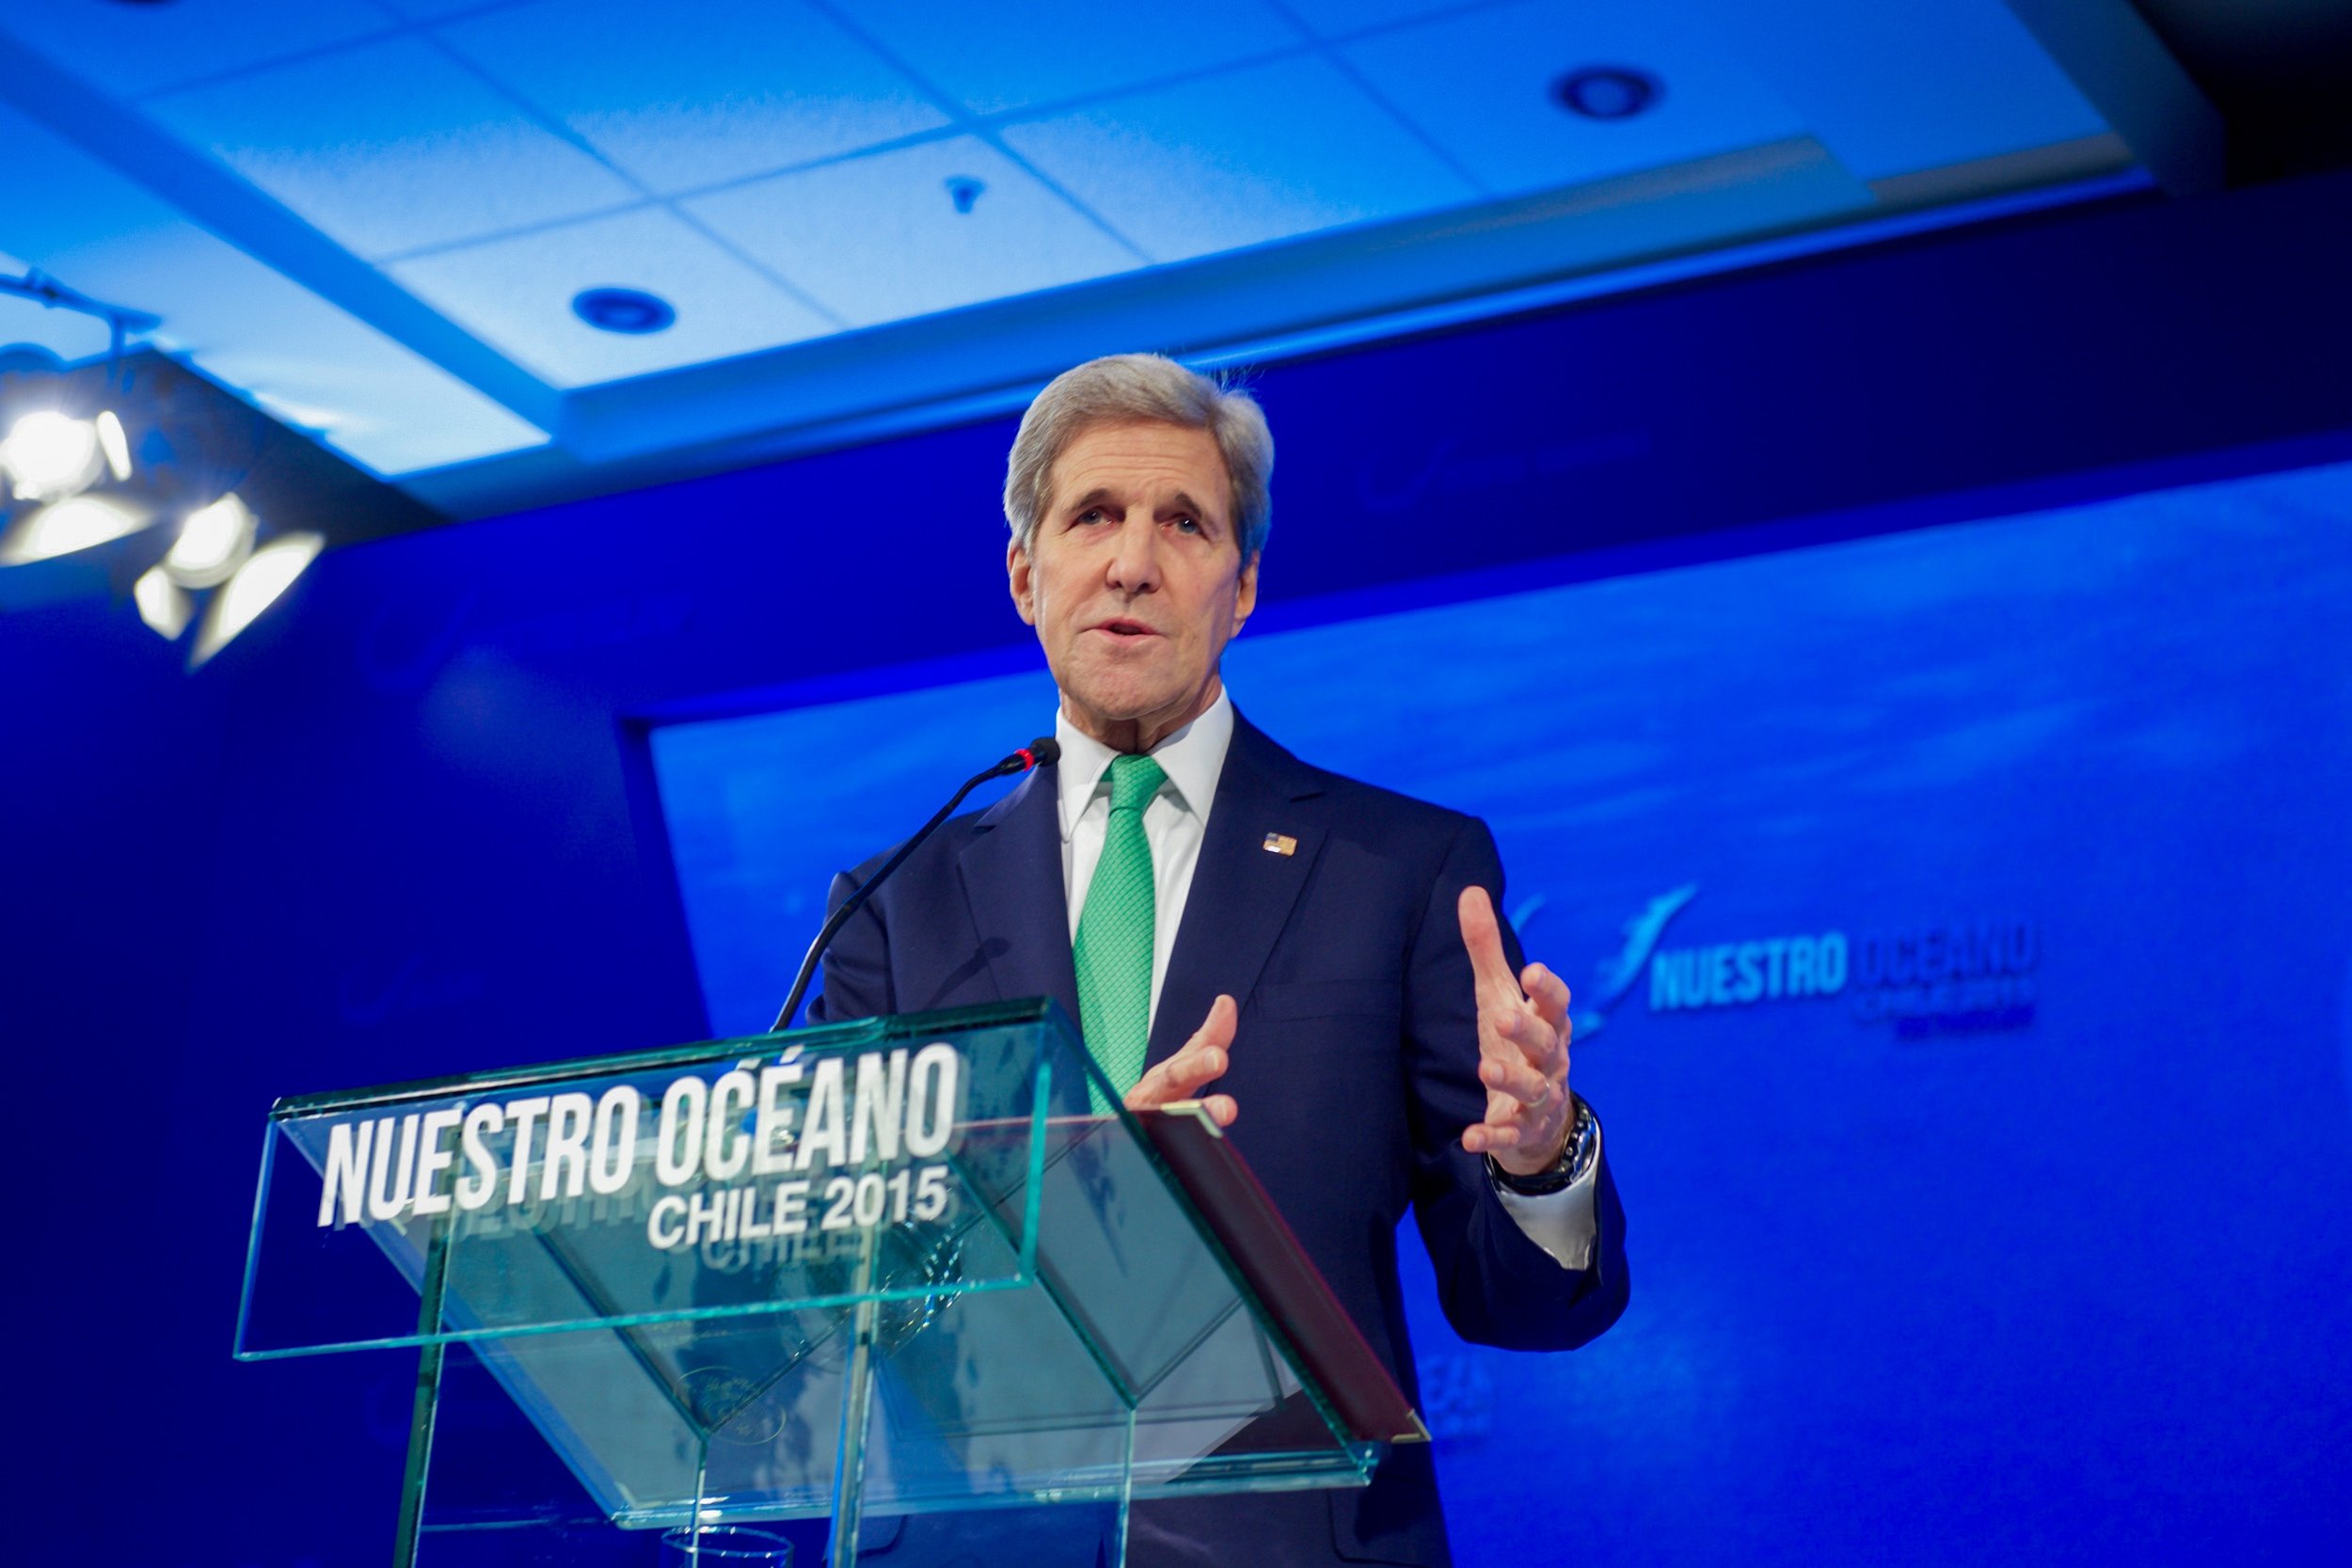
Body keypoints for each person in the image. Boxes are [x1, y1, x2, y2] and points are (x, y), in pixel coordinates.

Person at [811, 354, 1629, 1566]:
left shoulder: (1400, 870)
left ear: (1241, 589)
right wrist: (1065, 1201)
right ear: (1026, 579)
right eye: (1092, 516)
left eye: (1182, 522)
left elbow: (1522, 1303)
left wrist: (1541, 1154)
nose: (1132, 561)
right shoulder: (894, 902)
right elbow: (845, 1297)